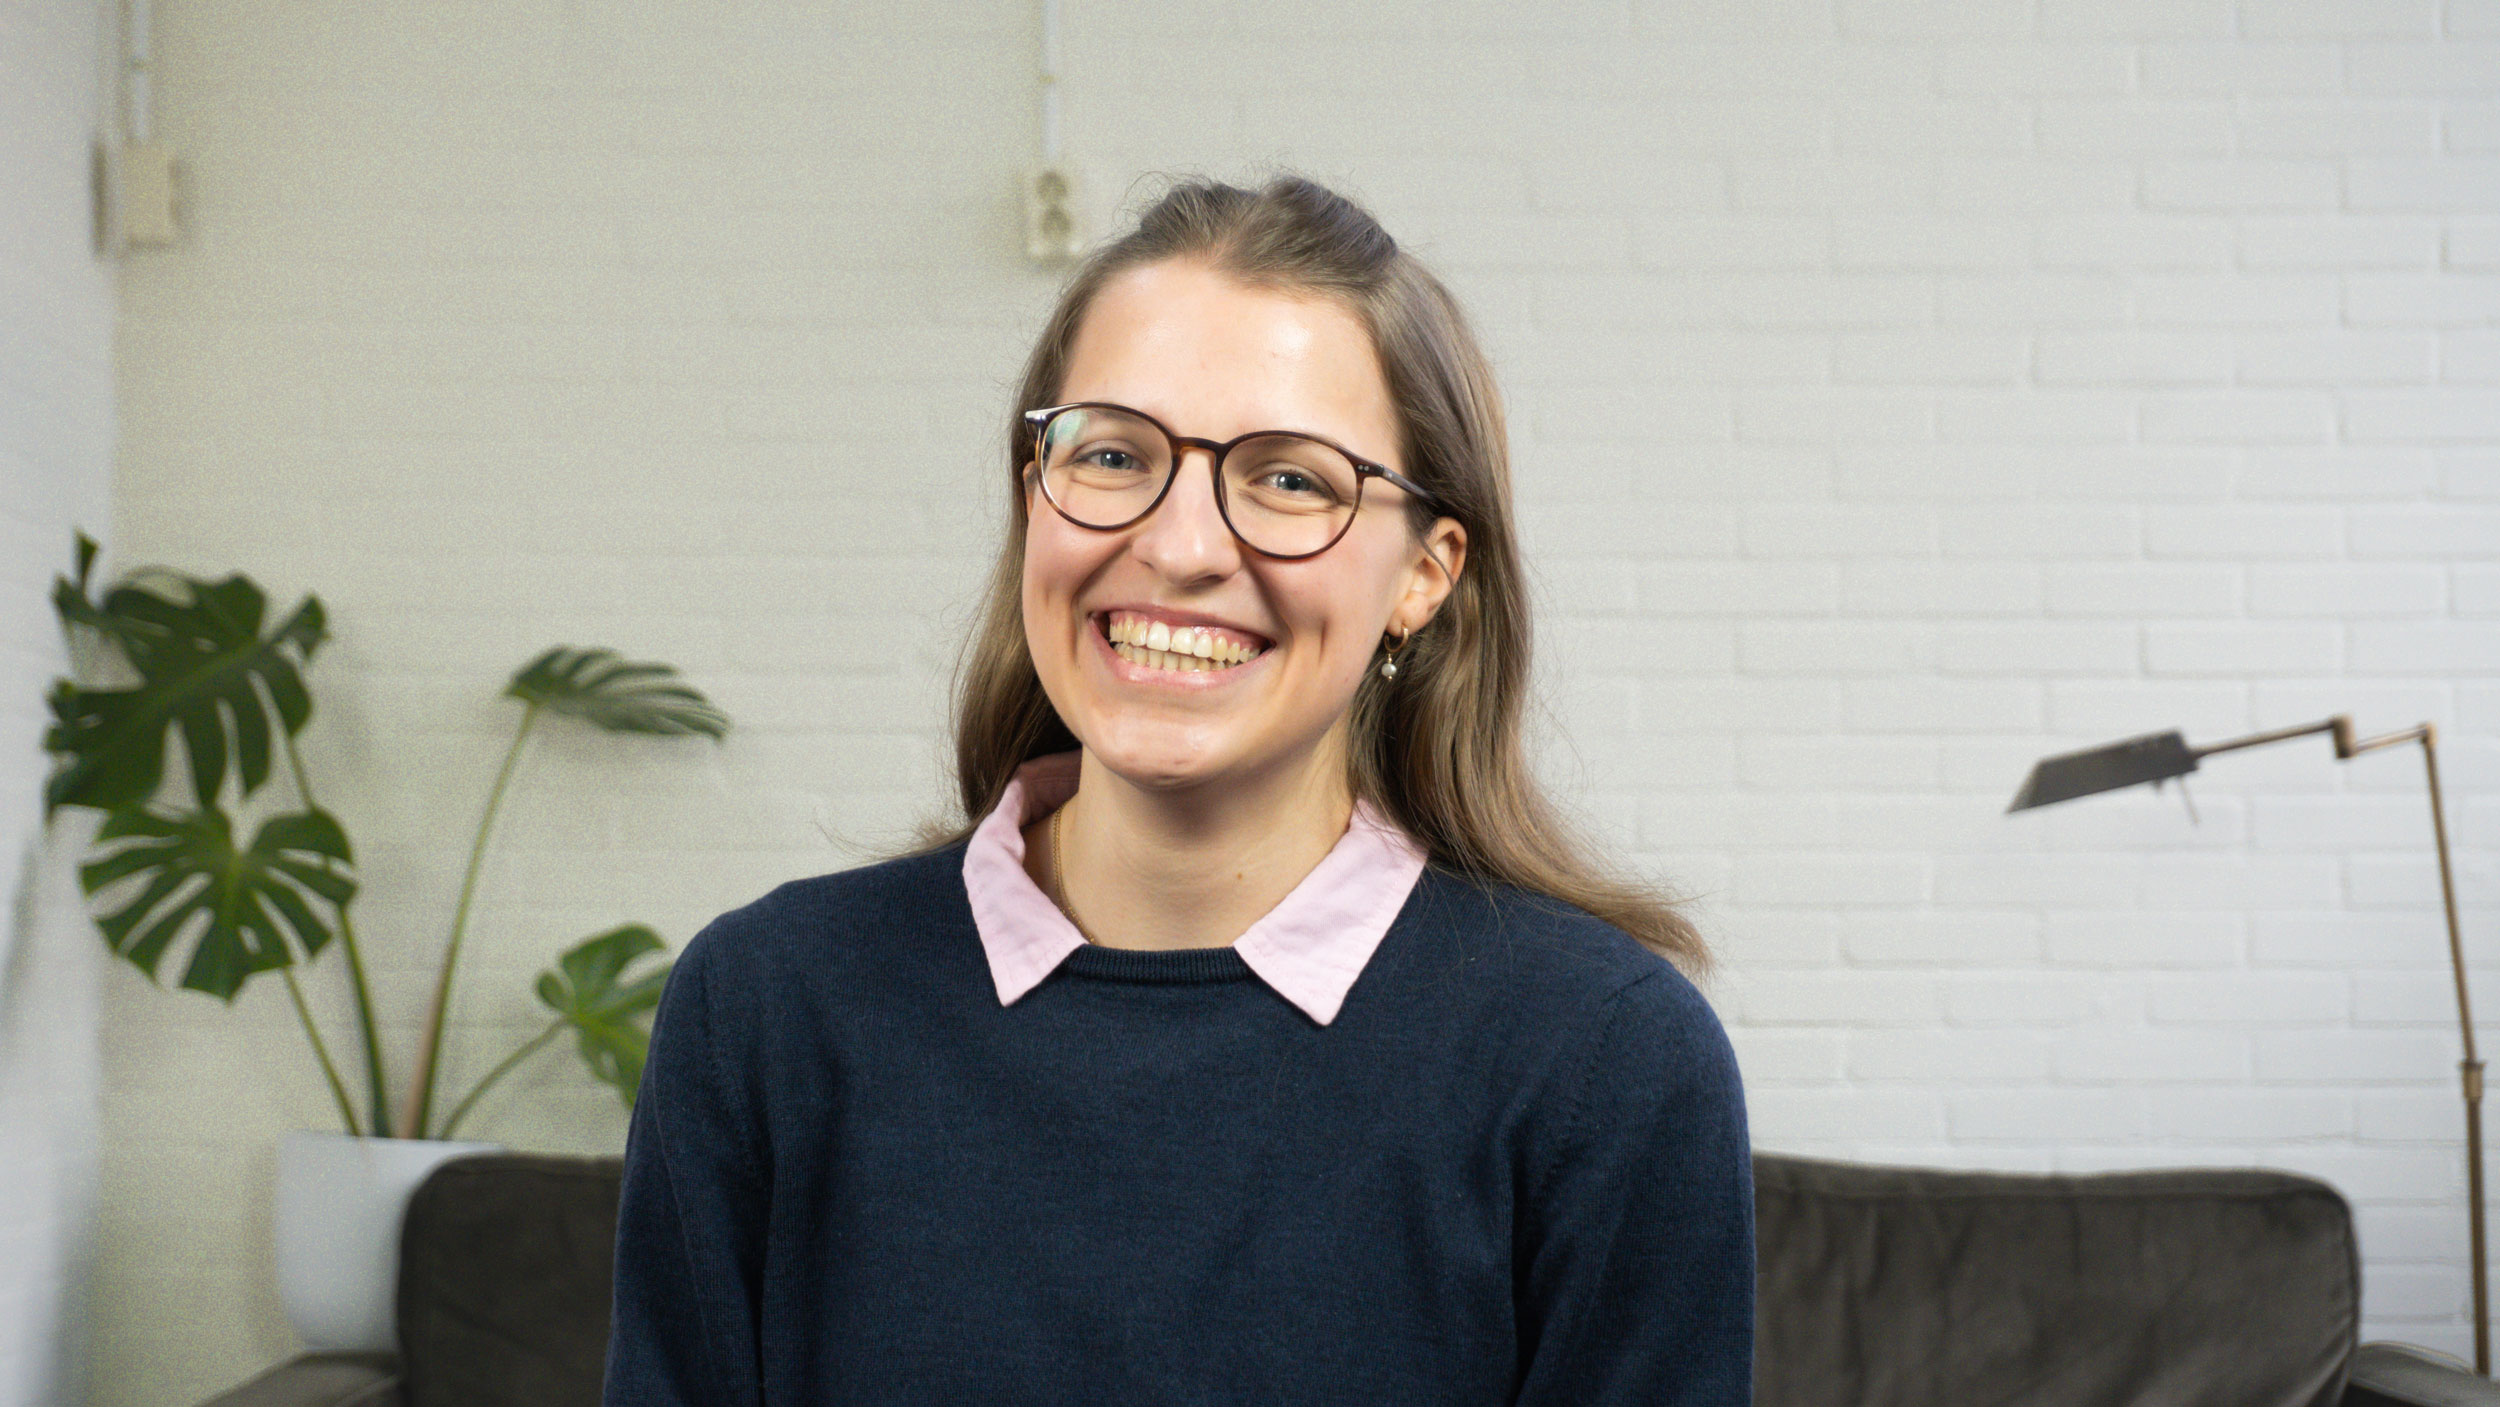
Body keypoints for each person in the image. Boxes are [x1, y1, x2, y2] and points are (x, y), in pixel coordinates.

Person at [603, 175, 1753, 1405]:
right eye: (1112, 454)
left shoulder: (1604, 1063)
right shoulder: (765, 1010)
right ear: (1033, 495)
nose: (1180, 546)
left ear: (1424, 574)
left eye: (1290, 480)